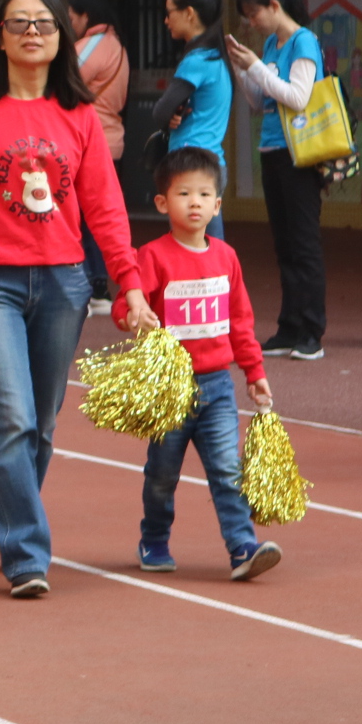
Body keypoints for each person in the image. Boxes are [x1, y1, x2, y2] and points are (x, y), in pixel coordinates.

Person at [0, 0, 141, 597]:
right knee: (12, 416)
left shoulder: (79, 116)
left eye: (45, 23)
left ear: (62, 38)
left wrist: (129, 281)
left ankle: (9, 520)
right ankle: (27, 554)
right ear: (0, 35)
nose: (32, 32)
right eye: (19, 22)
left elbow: (105, 208)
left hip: (63, 282)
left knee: (44, 424)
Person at [119, 147, 282, 580]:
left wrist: (255, 372)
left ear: (217, 205)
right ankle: (154, 538)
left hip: (217, 388)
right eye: (183, 193)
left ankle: (242, 546)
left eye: (204, 194)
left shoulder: (226, 257)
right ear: (161, 203)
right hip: (169, 392)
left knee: (228, 470)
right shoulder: (152, 256)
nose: (194, 202)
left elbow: (241, 322)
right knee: (162, 475)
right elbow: (125, 304)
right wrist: (132, 315)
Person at [228, 0, 328, 361]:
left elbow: (297, 97)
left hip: (299, 153)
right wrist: (244, 67)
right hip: (272, 148)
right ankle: (289, 327)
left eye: (254, 14)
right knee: (284, 244)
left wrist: (257, 66)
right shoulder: (272, 43)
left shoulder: (304, 41)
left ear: (274, 6)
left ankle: (311, 331)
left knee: (304, 243)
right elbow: (259, 101)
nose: (252, 23)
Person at [66, 0, 129, 312]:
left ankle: (95, 284)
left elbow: (62, 77)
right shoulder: (117, 46)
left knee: (82, 215)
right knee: (100, 213)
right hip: (112, 137)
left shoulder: (93, 45)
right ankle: (100, 284)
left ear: (85, 17)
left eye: (72, 17)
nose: (69, 23)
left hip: (90, 139)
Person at [152, 0, 233, 199]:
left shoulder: (197, 60)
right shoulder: (216, 57)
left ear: (189, 13)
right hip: (211, 161)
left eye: (169, 13)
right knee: (208, 233)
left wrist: (168, 116)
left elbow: (161, 112)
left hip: (191, 163)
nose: (166, 20)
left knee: (191, 233)